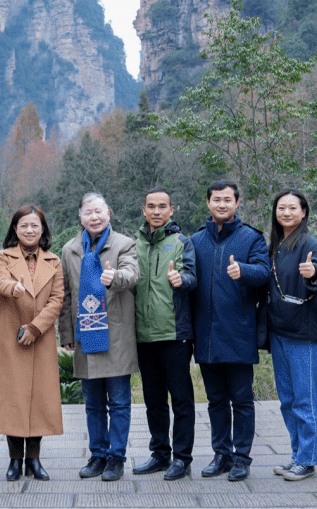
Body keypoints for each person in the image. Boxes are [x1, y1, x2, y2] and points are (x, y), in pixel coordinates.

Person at [188, 180, 270, 482]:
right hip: (206, 335)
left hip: (239, 334)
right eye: (216, 200)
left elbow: (264, 273)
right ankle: (220, 454)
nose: (222, 204)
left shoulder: (251, 238)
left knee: (242, 400)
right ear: (208, 203)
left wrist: (243, 271)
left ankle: (241, 458)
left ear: (236, 203)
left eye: (227, 200)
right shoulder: (195, 241)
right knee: (216, 400)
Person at [59, 192, 140, 482]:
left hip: (115, 334)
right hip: (85, 334)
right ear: (80, 217)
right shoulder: (69, 249)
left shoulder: (124, 243)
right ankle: (97, 454)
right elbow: (66, 294)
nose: (94, 217)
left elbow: (132, 275)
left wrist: (113, 278)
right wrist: (66, 333)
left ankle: (116, 457)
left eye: (99, 211)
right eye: (88, 212)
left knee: (119, 401)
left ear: (109, 213)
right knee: (92, 403)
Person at [0, 205, 65, 481]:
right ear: (14, 230)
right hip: (11, 339)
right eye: (24, 226)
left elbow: (57, 300)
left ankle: (34, 460)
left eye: (35, 226)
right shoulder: (2, 257)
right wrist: (14, 288)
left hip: (40, 338)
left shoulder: (54, 261)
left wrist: (35, 327)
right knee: (13, 399)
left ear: (43, 230)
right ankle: (15, 460)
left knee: (39, 399)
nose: (29, 230)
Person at [266, 189, 317, 482]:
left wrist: (313, 272)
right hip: (278, 331)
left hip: (304, 334)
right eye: (282, 207)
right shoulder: (275, 244)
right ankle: (297, 455)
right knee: (287, 399)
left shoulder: (310, 242)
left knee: (304, 400)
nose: (287, 213)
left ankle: (306, 460)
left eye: (293, 208)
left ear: (304, 212)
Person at [131, 189, 197, 481]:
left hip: (174, 334)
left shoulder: (182, 243)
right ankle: (160, 453)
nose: (156, 211)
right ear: (143, 210)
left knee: (181, 399)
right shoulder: (134, 245)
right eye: (151, 206)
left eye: (162, 206)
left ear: (172, 210)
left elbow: (193, 278)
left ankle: (182, 458)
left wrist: (181, 279)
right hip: (144, 336)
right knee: (153, 400)